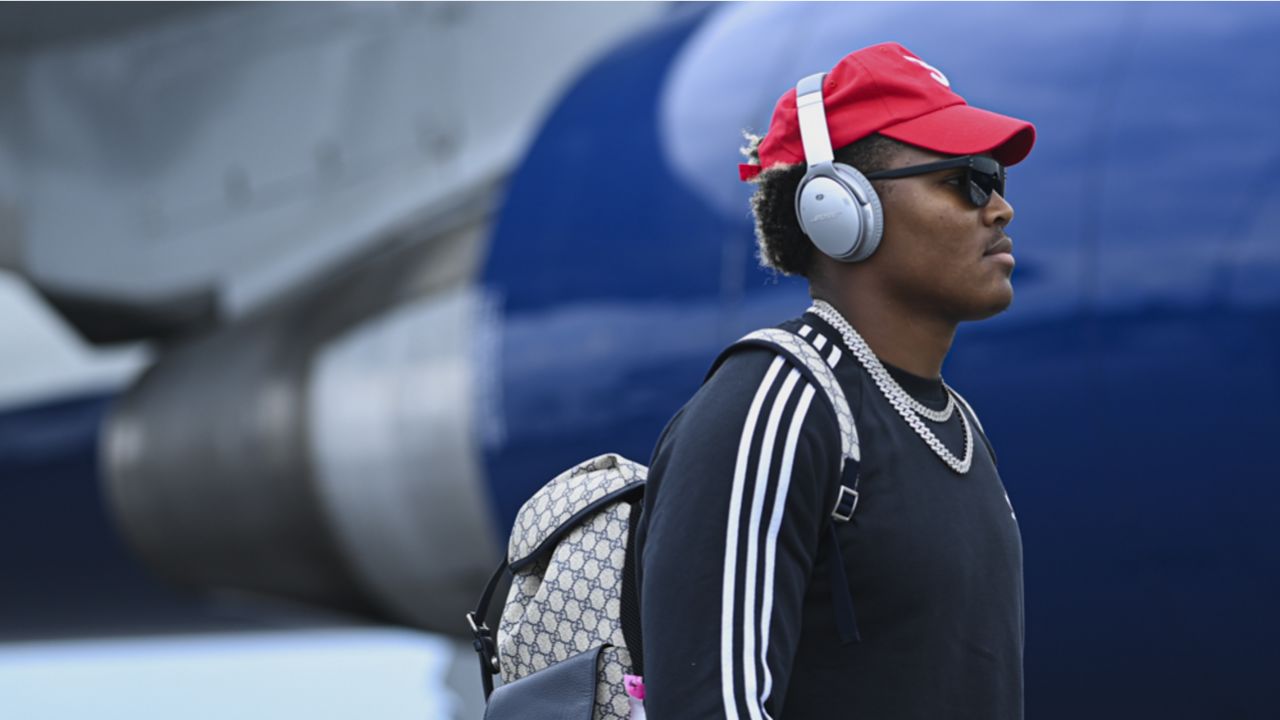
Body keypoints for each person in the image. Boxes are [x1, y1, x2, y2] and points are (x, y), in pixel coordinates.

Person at [634, 42, 1035, 719]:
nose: (999, 208)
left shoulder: (960, 429)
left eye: (995, 178)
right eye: (964, 179)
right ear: (837, 208)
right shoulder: (775, 402)